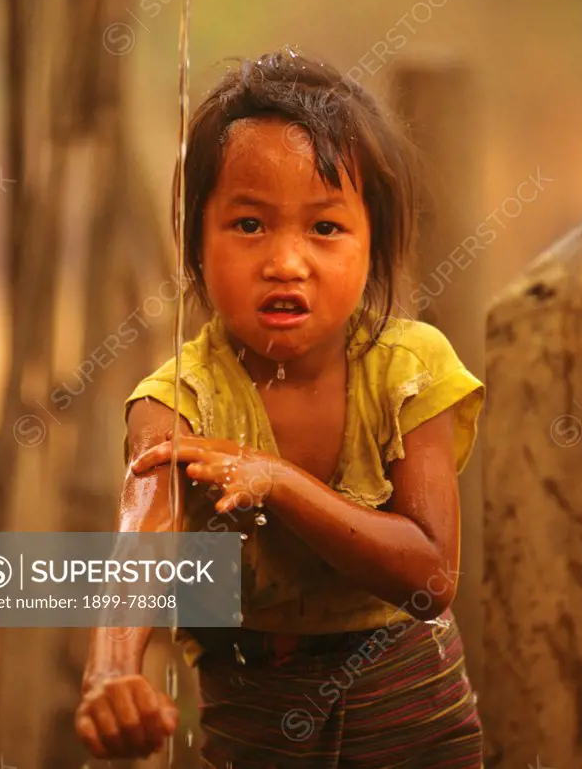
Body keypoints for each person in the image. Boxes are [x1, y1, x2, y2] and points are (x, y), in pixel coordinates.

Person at [75, 50, 485, 767]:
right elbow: (141, 541)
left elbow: (429, 578)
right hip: (256, 723)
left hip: (413, 717)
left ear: (373, 245)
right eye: (249, 224)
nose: (286, 262)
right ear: (196, 240)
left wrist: (280, 481)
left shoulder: (409, 370)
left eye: (324, 228)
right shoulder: (181, 401)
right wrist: (110, 669)